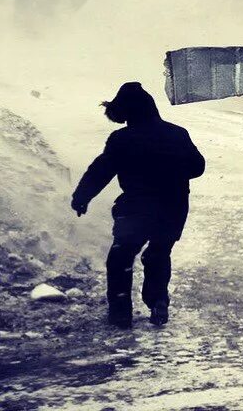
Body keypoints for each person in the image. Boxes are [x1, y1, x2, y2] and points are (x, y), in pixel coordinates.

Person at [71, 82, 205, 329]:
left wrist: (82, 196)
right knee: (158, 254)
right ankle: (158, 301)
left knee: (121, 256)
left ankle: (121, 313)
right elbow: (198, 167)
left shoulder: (122, 139)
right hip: (173, 208)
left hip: (136, 209)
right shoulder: (177, 133)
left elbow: (101, 170)